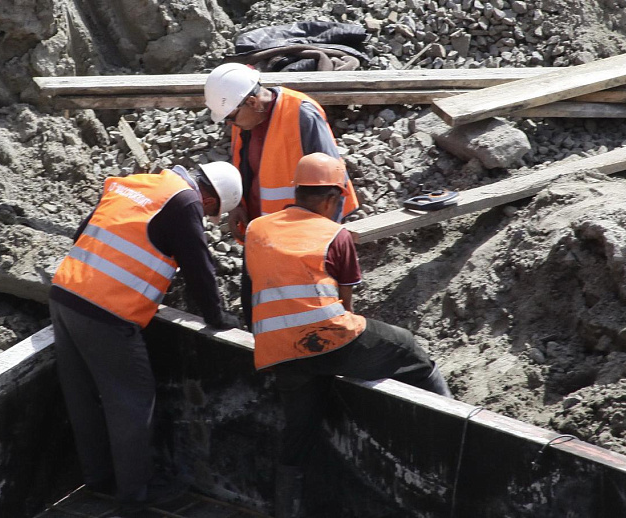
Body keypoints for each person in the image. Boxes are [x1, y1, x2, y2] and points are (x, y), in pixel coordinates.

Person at [243, 153, 452, 517]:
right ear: (331, 199)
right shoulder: (334, 235)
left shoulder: (257, 229)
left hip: (277, 352)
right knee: (406, 345)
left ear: (297, 191)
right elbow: (345, 305)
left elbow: (253, 289)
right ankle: (456, 425)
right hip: (329, 340)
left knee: (299, 432)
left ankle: (286, 509)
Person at [48, 162, 242, 512]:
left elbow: (83, 234)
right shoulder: (185, 203)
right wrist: (216, 317)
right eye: (211, 212)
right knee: (132, 402)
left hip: (65, 295)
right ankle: (134, 496)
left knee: (82, 397)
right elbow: (198, 266)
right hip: (107, 313)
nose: (205, 216)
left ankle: (99, 480)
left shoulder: (137, 183)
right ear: (210, 199)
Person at [203, 62, 359, 239]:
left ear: (252, 102)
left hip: (301, 235)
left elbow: (332, 180)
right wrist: (238, 205)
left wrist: (328, 238)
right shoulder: (243, 120)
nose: (229, 124)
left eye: (230, 118)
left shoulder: (302, 114)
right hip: (262, 233)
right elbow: (247, 169)